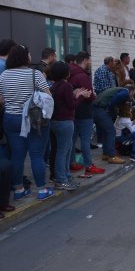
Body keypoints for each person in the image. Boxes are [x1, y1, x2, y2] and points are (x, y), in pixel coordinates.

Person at [0, 45, 55, 201]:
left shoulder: (3, 75)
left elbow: (1, 99)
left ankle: (18, 189)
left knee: (17, 155)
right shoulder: (35, 74)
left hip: (11, 118)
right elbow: (48, 96)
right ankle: (42, 190)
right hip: (33, 118)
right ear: (25, 57)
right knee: (36, 155)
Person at [49, 61, 92, 191]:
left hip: (55, 121)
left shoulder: (54, 86)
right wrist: (82, 96)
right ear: (65, 73)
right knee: (63, 152)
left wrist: (75, 94)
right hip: (65, 122)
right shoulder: (66, 85)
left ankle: (66, 177)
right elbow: (72, 105)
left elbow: (62, 101)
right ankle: (62, 179)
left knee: (62, 151)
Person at [69, 51, 104, 175]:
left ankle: (72, 162)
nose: (90, 62)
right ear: (84, 60)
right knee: (85, 140)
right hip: (84, 112)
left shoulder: (70, 73)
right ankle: (89, 165)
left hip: (73, 111)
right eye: (89, 60)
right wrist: (92, 95)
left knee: (72, 140)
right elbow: (89, 96)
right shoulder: (83, 76)